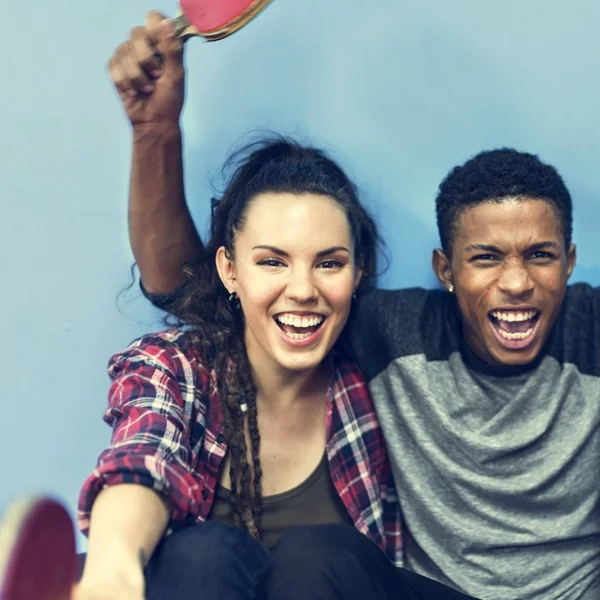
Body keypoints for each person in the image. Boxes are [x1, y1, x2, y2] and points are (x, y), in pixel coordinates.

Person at [116, 11, 600, 600]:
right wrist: (155, 133)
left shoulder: (580, 328)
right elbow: (180, 288)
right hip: (310, 580)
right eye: (486, 257)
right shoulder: (384, 332)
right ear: (445, 269)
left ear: (570, 262)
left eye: (541, 255)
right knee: (247, 554)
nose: (517, 282)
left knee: (315, 552)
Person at [0, 125, 474, 600]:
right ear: (230, 269)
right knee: (201, 553)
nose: (304, 289)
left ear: (358, 272)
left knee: (316, 556)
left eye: (329, 263)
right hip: (201, 580)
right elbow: (143, 458)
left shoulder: (385, 365)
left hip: (343, 585)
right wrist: (112, 572)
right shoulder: (177, 366)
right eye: (272, 262)